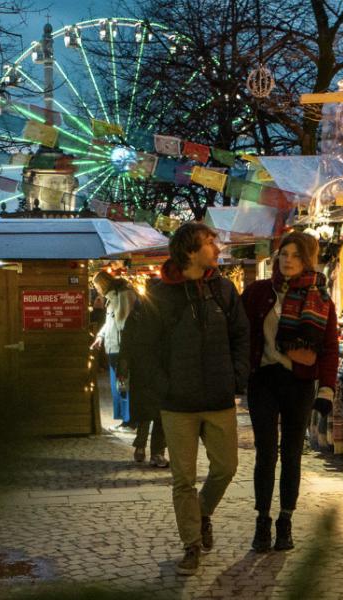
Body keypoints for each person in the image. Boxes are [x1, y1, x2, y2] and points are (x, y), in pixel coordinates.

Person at [126, 222, 250, 575]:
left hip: (218, 397)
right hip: (177, 403)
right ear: (191, 251)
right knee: (183, 479)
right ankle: (191, 544)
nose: (216, 246)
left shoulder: (223, 290)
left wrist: (236, 377)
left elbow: (241, 336)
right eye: (210, 241)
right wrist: (163, 387)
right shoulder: (160, 294)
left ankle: (203, 512)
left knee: (226, 468)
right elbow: (144, 349)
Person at [242, 232, 339, 553]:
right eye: (284, 254)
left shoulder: (321, 298)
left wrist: (326, 388)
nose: (287, 260)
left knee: (292, 453)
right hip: (264, 382)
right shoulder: (257, 292)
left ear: (307, 260)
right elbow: (241, 335)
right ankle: (262, 521)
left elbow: (329, 349)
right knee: (266, 452)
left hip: (299, 383)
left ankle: (285, 521)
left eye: (296, 255)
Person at [119, 295, 169, 469]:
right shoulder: (139, 316)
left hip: (155, 370)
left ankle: (148, 450)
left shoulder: (138, 315)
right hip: (148, 370)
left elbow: (125, 344)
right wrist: (123, 369)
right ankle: (150, 450)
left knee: (154, 412)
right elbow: (126, 344)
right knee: (151, 412)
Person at [90, 271, 138, 430]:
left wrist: (124, 347)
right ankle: (125, 419)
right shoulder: (112, 297)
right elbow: (111, 323)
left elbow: (124, 323)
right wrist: (101, 336)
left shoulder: (123, 295)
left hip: (121, 348)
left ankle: (130, 420)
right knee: (118, 385)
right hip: (113, 347)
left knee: (123, 384)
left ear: (103, 283)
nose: (96, 290)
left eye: (97, 286)